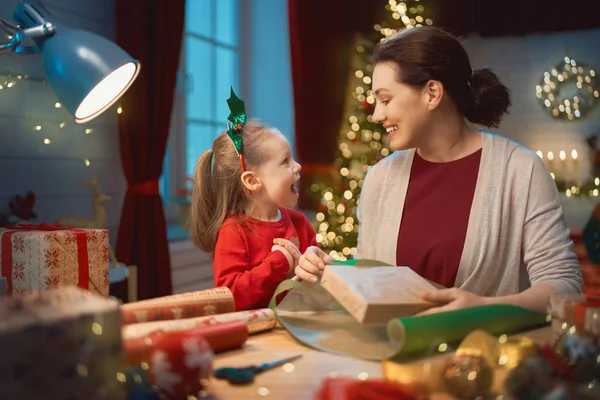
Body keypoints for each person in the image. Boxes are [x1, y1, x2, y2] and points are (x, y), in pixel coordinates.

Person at [295, 26, 582, 315]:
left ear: (432, 93)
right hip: (392, 355)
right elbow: (372, 282)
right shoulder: (380, 178)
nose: (376, 115)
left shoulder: (520, 170)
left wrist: (483, 307)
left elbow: (565, 285)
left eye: (386, 99)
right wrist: (329, 273)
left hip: (484, 356)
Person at [190, 90, 316, 311]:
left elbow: (316, 289)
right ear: (252, 180)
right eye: (285, 161)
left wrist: (319, 264)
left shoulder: (300, 223)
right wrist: (279, 262)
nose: (298, 167)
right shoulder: (233, 232)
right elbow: (230, 296)